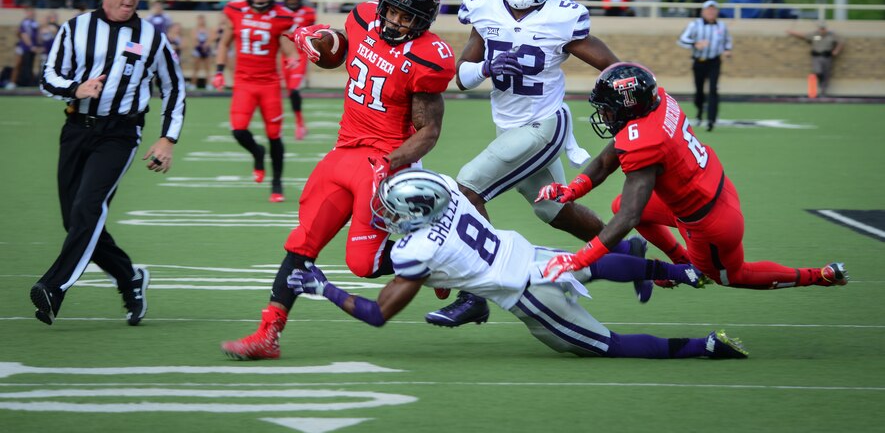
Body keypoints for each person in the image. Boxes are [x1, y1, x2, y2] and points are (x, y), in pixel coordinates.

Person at [220, 0, 456, 360]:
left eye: (406, 17)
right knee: (302, 241)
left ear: (423, 23)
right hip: (344, 149)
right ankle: (268, 333)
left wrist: (390, 162)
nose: (396, 22)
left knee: (362, 265)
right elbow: (337, 54)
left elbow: (429, 131)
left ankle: (434, 265)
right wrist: (318, 42)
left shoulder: (427, 57)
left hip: (382, 158)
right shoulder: (363, 19)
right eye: (392, 12)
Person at [287, 169, 746, 360]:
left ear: (416, 212)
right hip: (527, 253)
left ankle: (704, 347)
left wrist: (322, 287)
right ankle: (683, 272)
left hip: (525, 292)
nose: (389, 216)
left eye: (396, 210)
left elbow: (377, 314)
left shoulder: (414, 252)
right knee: (594, 264)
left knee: (608, 345)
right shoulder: (447, 189)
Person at [426, 0, 619, 328]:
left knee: (468, 187)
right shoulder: (486, 8)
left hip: (544, 124)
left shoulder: (561, 18)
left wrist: (633, 98)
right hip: (511, 126)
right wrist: (487, 67)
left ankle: (475, 293)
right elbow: (461, 78)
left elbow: (613, 66)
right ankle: (627, 254)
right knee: (553, 210)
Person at [536, 62, 849, 291]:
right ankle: (683, 260)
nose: (604, 116)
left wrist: (579, 259)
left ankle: (816, 276)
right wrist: (572, 191)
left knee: (730, 276)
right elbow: (608, 161)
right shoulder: (657, 103)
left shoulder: (646, 140)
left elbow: (629, 218)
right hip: (711, 188)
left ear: (630, 106)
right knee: (619, 204)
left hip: (710, 223)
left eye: (608, 110)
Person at [33, 0, 186, 326]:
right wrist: (76, 88)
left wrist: (168, 138)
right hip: (76, 129)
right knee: (77, 220)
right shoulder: (75, 29)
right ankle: (128, 277)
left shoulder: (152, 38)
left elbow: (174, 86)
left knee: (88, 208)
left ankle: (54, 287)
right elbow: (48, 76)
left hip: (119, 134)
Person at [212, 0, 299, 203]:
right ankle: (257, 153)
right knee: (238, 129)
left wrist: (292, 58)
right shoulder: (236, 11)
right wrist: (219, 71)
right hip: (244, 82)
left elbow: (287, 47)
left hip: (269, 82)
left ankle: (277, 183)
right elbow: (224, 43)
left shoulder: (280, 17)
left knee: (274, 135)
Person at [677, 0, 732, 131]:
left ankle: (711, 120)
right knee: (699, 91)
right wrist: (695, 43)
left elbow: (727, 40)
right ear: (703, 11)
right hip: (699, 61)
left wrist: (727, 50)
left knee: (713, 90)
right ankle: (700, 110)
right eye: (709, 9)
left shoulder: (722, 26)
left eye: (713, 10)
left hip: (714, 61)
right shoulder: (695, 25)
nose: (711, 12)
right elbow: (682, 39)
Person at [282, 0, 316, 140]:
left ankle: (299, 124)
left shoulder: (308, 13)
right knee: (288, 91)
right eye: (290, 0)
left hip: (299, 55)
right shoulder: (279, 13)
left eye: (295, 0)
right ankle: (298, 122)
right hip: (283, 55)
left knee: (294, 90)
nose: (292, 2)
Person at [787, 22, 844, 97]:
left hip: (827, 57)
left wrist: (836, 50)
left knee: (826, 74)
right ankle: (820, 83)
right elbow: (804, 36)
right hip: (816, 56)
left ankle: (823, 91)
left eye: (824, 29)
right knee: (817, 71)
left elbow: (841, 42)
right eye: (821, 29)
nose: (822, 30)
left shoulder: (832, 35)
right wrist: (792, 32)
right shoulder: (815, 35)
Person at [7, 6, 40, 89]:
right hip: (23, 47)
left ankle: (27, 82)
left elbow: (36, 36)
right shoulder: (25, 22)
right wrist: (31, 46)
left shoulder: (34, 22)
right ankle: (12, 82)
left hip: (30, 48)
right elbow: (24, 35)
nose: (31, 13)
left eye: (32, 11)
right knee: (18, 64)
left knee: (29, 65)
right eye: (29, 11)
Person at [189, 13, 213, 89]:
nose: (201, 21)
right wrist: (199, 46)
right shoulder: (195, 29)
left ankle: (208, 84)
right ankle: (193, 84)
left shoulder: (208, 29)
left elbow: (210, 39)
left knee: (208, 68)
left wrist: (206, 45)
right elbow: (193, 39)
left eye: (202, 19)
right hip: (197, 49)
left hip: (206, 49)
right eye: (200, 19)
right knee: (196, 68)